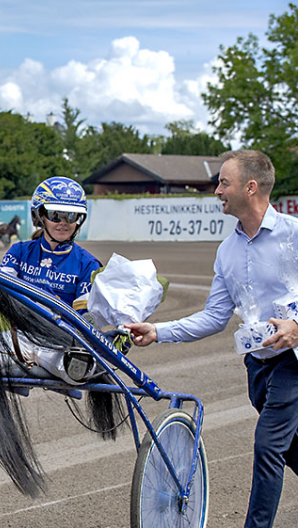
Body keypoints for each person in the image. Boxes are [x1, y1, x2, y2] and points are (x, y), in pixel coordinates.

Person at [126, 150, 298, 528]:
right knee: (290, 449)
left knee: (269, 446)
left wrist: (297, 326)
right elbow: (215, 317)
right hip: (257, 366)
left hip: (293, 363)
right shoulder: (227, 251)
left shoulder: (294, 235)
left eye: (224, 182)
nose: (217, 190)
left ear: (250, 188)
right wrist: (159, 332)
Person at [0, 176, 102, 382]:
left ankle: (81, 358)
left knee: (72, 368)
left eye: (71, 216)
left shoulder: (88, 264)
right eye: (56, 215)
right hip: (18, 337)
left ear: (78, 220)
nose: (63, 222)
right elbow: (1, 292)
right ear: (41, 216)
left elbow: (83, 311)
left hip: (58, 342)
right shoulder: (18, 252)